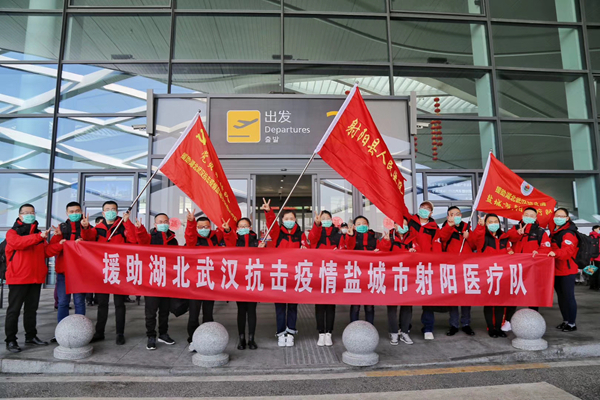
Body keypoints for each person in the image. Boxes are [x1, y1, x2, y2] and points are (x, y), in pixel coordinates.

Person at [4, 204, 61, 353]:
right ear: (20, 215)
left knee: (31, 309)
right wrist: (38, 237)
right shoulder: (12, 232)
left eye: (32, 212)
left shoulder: (39, 235)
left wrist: (58, 240)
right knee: (14, 310)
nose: (30, 215)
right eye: (26, 212)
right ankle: (11, 340)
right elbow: (18, 244)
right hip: (18, 278)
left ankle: (31, 336)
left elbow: (46, 252)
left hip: (35, 278)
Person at [80, 201, 137, 345]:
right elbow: (88, 239)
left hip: (119, 269)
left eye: (113, 209)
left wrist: (127, 223)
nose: (110, 211)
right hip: (102, 270)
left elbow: (133, 240)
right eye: (107, 209)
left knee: (119, 304)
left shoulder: (122, 226)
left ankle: (120, 333)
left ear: (117, 212)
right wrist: (85, 228)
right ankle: (100, 332)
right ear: (103, 213)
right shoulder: (97, 228)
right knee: (102, 304)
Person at [261, 198, 301, 347]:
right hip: (279, 275)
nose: (289, 221)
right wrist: (268, 212)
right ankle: (280, 333)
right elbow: (271, 224)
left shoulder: (300, 235)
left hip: (295, 276)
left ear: (295, 220)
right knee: (280, 307)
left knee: (292, 306)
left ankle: (290, 332)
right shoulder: (278, 234)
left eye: (292, 218)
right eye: (286, 219)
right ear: (282, 220)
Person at [504, 207, 552, 331]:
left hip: (532, 269)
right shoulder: (515, 228)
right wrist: (517, 233)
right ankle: (508, 321)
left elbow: (546, 247)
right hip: (516, 268)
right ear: (522, 215)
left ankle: (533, 321)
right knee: (513, 293)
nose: (529, 217)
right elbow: (506, 239)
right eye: (526, 214)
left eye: (532, 215)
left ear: (535, 218)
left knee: (532, 294)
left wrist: (539, 252)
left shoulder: (540, 232)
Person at [134, 213, 177, 350]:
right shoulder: (149, 237)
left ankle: (163, 334)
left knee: (165, 310)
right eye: (160, 222)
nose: (163, 224)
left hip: (167, 280)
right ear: (155, 224)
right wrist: (140, 229)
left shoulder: (173, 239)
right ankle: (151, 336)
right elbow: (142, 239)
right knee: (151, 312)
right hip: (152, 280)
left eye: (165, 221)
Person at [184, 208, 226, 348]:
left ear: (210, 227)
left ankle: (207, 339)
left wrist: (226, 228)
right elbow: (189, 235)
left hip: (210, 281)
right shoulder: (193, 239)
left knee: (208, 314)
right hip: (195, 283)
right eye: (200, 227)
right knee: (194, 314)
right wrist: (191, 222)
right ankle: (192, 340)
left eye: (206, 227)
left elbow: (228, 236)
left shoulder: (215, 237)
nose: (204, 229)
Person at [308, 210, 348, 347]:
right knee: (319, 305)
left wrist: (339, 252)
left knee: (331, 306)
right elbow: (312, 239)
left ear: (331, 219)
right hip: (319, 273)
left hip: (333, 274)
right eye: (323, 218)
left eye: (327, 218)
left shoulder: (338, 234)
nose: (325, 220)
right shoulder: (316, 233)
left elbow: (344, 250)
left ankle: (329, 333)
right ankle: (321, 333)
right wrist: (316, 225)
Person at [471, 213, 514, 338]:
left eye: (495, 221)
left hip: (502, 275)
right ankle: (491, 328)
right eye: (490, 222)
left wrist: (511, 252)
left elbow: (509, 250)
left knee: (500, 303)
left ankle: (499, 327)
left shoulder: (504, 237)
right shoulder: (483, 237)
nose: (493, 224)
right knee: (489, 303)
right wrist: (480, 227)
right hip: (487, 275)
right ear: (486, 224)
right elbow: (475, 240)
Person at [377, 217, 417, 345]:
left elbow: (420, 252)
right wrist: (386, 241)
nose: (402, 226)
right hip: (392, 276)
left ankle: (405, 331)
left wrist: (415, 251)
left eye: (405, 224)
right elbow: (381, 252)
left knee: (407, 306)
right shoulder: (389, 237)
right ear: (394, 225)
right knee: (392, 306)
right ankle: (394, 332)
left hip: (408, 277)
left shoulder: (413, 238)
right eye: (399, 224)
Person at [438, 206, 477, 337]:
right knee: (453, 297)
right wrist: (449, 226)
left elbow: (475, 245)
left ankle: (466, 323)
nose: (455, 216)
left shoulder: (467, 227)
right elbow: (442, 239)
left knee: (466, 297)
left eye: (458, 213)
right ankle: (453, 324)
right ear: (448, 216)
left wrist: (469, 237)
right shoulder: (446, 227)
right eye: (452, 214)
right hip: (452, 268)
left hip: (466, 268)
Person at [224, 217, 259, 350]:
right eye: (240, 226)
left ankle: (251, 338)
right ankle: (241, 338)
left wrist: (262, 249)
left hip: (253, 280)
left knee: (252, 310)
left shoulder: (257, 242)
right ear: (237, 229)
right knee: (241, 310)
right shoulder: (235, 241)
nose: (243, 228)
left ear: (250, 228)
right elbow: (228, 241)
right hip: (239, 280)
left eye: (245, 226)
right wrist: (228, 231)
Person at [50, 202, 87, 327]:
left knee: (79, 302)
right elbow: (51, 249)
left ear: (81, 212)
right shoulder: (61, 228)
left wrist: (84, 240)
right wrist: (58, 239)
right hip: (63, 272)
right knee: (62, 302)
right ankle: (61, 330)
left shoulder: (86, 227)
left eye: (77, 211)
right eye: (72, 212)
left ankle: (81, 330)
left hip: (80, 272)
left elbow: (93, 246)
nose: (75, 213)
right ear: (67, 213)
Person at [409, 201, 442, 340]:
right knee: (407, 297)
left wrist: (435, 264)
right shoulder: (410, 223)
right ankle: (405, 326)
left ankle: (428, 328)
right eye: (423, 207)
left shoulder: (434, 228)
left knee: (428, 298)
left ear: (431, 213)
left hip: (427, 267)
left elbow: (437, 247)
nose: (424, 210)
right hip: (410, 265)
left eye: (428, 209)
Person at [548, 208, 579, 332]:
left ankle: (572, 323)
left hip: (567, 270)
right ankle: (566, 320)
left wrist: (555, 253)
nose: (558, 218)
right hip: (556, 270)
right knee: (561, 297)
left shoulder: (568, 233)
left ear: (567, 218)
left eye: (561, 216)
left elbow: (568, 251)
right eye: (556, 215)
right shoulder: (555, 232)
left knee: (568, 297)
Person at [345, 216, 376, 325]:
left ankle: (370, 327)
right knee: (355, 306)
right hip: (356, 276)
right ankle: (353, 327)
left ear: (368, 225)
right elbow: (349, 248)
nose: (362, 225)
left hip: (370, 275)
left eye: (364, 223)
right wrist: (350, 236)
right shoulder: (351, 236)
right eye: (358, 224)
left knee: (369, 306)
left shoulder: (374, 238)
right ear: (354, 226)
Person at [589, 225, 600, 291]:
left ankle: (592, 285)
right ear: (595, 229)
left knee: (592, 271)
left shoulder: (590, 237)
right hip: (598, 257)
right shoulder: (598, 237)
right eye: (598, 229)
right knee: (598, 272)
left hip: (591, 257)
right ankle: (597, 286)